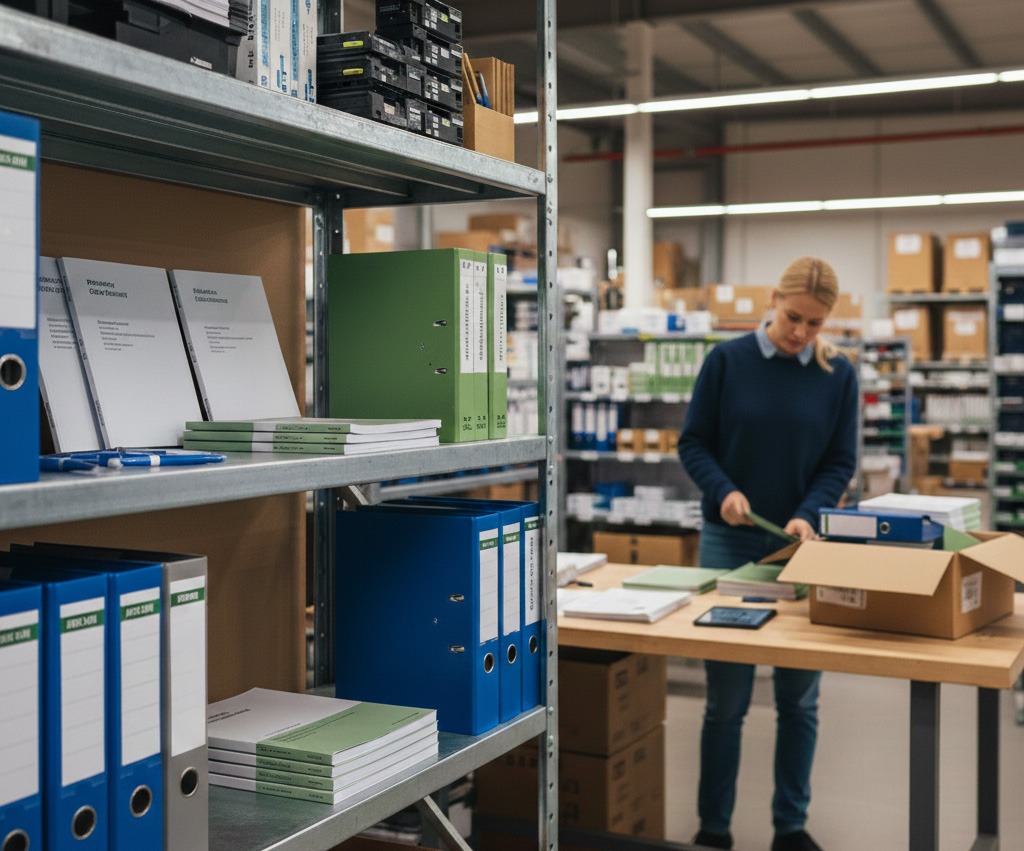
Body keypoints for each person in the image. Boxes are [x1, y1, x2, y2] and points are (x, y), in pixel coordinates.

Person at [678, 256, 858, 851]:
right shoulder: (726, 362)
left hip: (801, 548)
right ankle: (714, 828)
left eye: (815, 323)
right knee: (725, 701)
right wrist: (722, 491)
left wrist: (810, 512)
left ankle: (791, 827)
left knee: (800, 699)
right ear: (773, 301)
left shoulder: (839, 375)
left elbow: (840, 461)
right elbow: (693, 443)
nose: (801, 332)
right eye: (793, 317)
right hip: (729, 543)